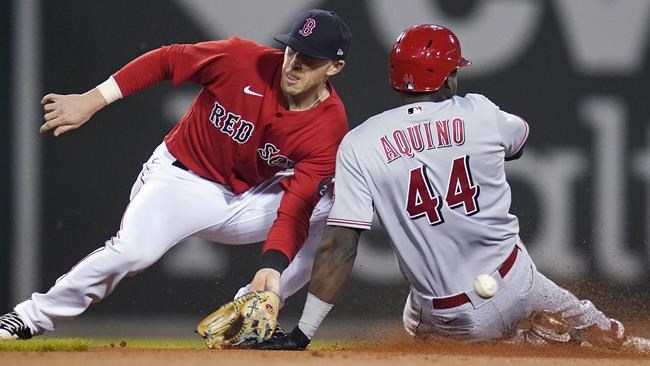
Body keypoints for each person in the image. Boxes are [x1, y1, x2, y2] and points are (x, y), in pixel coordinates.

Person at [252, 24, 631, 351]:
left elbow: (340, 247)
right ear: (447, 77)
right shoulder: (480, 112)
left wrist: (303, 333)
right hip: (520, 279)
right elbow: (519, 141)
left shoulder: (360, 143)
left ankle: (527, 344)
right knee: (603, 331)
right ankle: (580, 338)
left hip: (453, 315)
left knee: (417, 318)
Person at [0, 9, 352, 340]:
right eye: (292, 50)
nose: (294, 64)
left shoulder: (328, 126)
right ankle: (30, 317)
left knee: (335, 208)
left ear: (334, 67)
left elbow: (297, 206)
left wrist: (273, 264)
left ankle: (251, 307)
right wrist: (93, 99)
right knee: (134, 254)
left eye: (310, 59)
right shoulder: (243, 61)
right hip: (182, 180)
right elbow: (168, 59)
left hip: (249, 199)